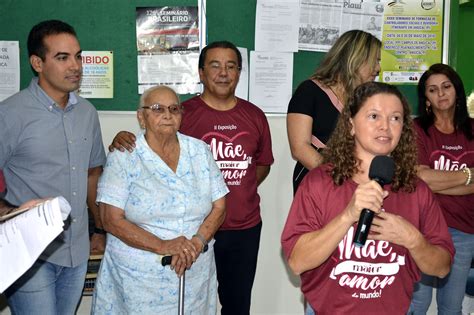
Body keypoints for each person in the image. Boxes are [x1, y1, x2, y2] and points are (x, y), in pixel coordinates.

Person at [110, 40, 274, 315]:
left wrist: (231, 189)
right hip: (193, 231)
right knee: (193, 303)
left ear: (238, 73)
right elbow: (152, 145)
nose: (223, 73)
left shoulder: (255, 116)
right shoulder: (181, 113)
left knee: (237, 305)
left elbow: (261, 165)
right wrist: (122, 138)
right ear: (200, 73)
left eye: (231, 66)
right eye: (215, 65)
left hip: (242, 228)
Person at [281, 82, 454, 314]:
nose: (385, 126)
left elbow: (442, 267)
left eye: (395, 118)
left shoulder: (416, 190)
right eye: (374, 116)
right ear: (351, 125)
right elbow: (297, 261)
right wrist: (347, 216)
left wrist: (412, 239)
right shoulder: (319, 182)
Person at [91, 85, 228, 314]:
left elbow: (220, 206)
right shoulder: (124, 156)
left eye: (174, 109)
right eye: (157, 109)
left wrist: (197, 242)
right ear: (141, 116)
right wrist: (163, 246)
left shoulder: (199, 151)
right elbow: (110, 219)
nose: (167, 115)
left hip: (194, 275)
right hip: (138, 282)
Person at [0, 20, 106, 314]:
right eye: (62, 57)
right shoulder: (10, 114)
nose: (75, 66)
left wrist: (98, 229)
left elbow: (91, 174)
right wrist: (7, 213)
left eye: (78, 56)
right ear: (37, 63)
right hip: (30, 255)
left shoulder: (87, 113)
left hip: (76, 250)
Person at [409, 63, 474, 314]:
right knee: (418, 303)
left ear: (457, 90)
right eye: (433, 90)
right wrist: (468, 175)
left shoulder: (471, 129)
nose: (441, 94)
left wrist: (438, 181)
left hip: (464, 229)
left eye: (446, 87)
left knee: (451, 306)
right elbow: (421, 179)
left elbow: (431, 179)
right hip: (422, 227)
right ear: (426, 98)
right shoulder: (417, 131)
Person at [287, 29, 381, 193]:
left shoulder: (364, 98)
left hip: (355, 184)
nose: (378, 68)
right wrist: (340, 179)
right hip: (317, 182)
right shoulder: (309, 91)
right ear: (356, 59)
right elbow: (300, 148)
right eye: (375, 61)